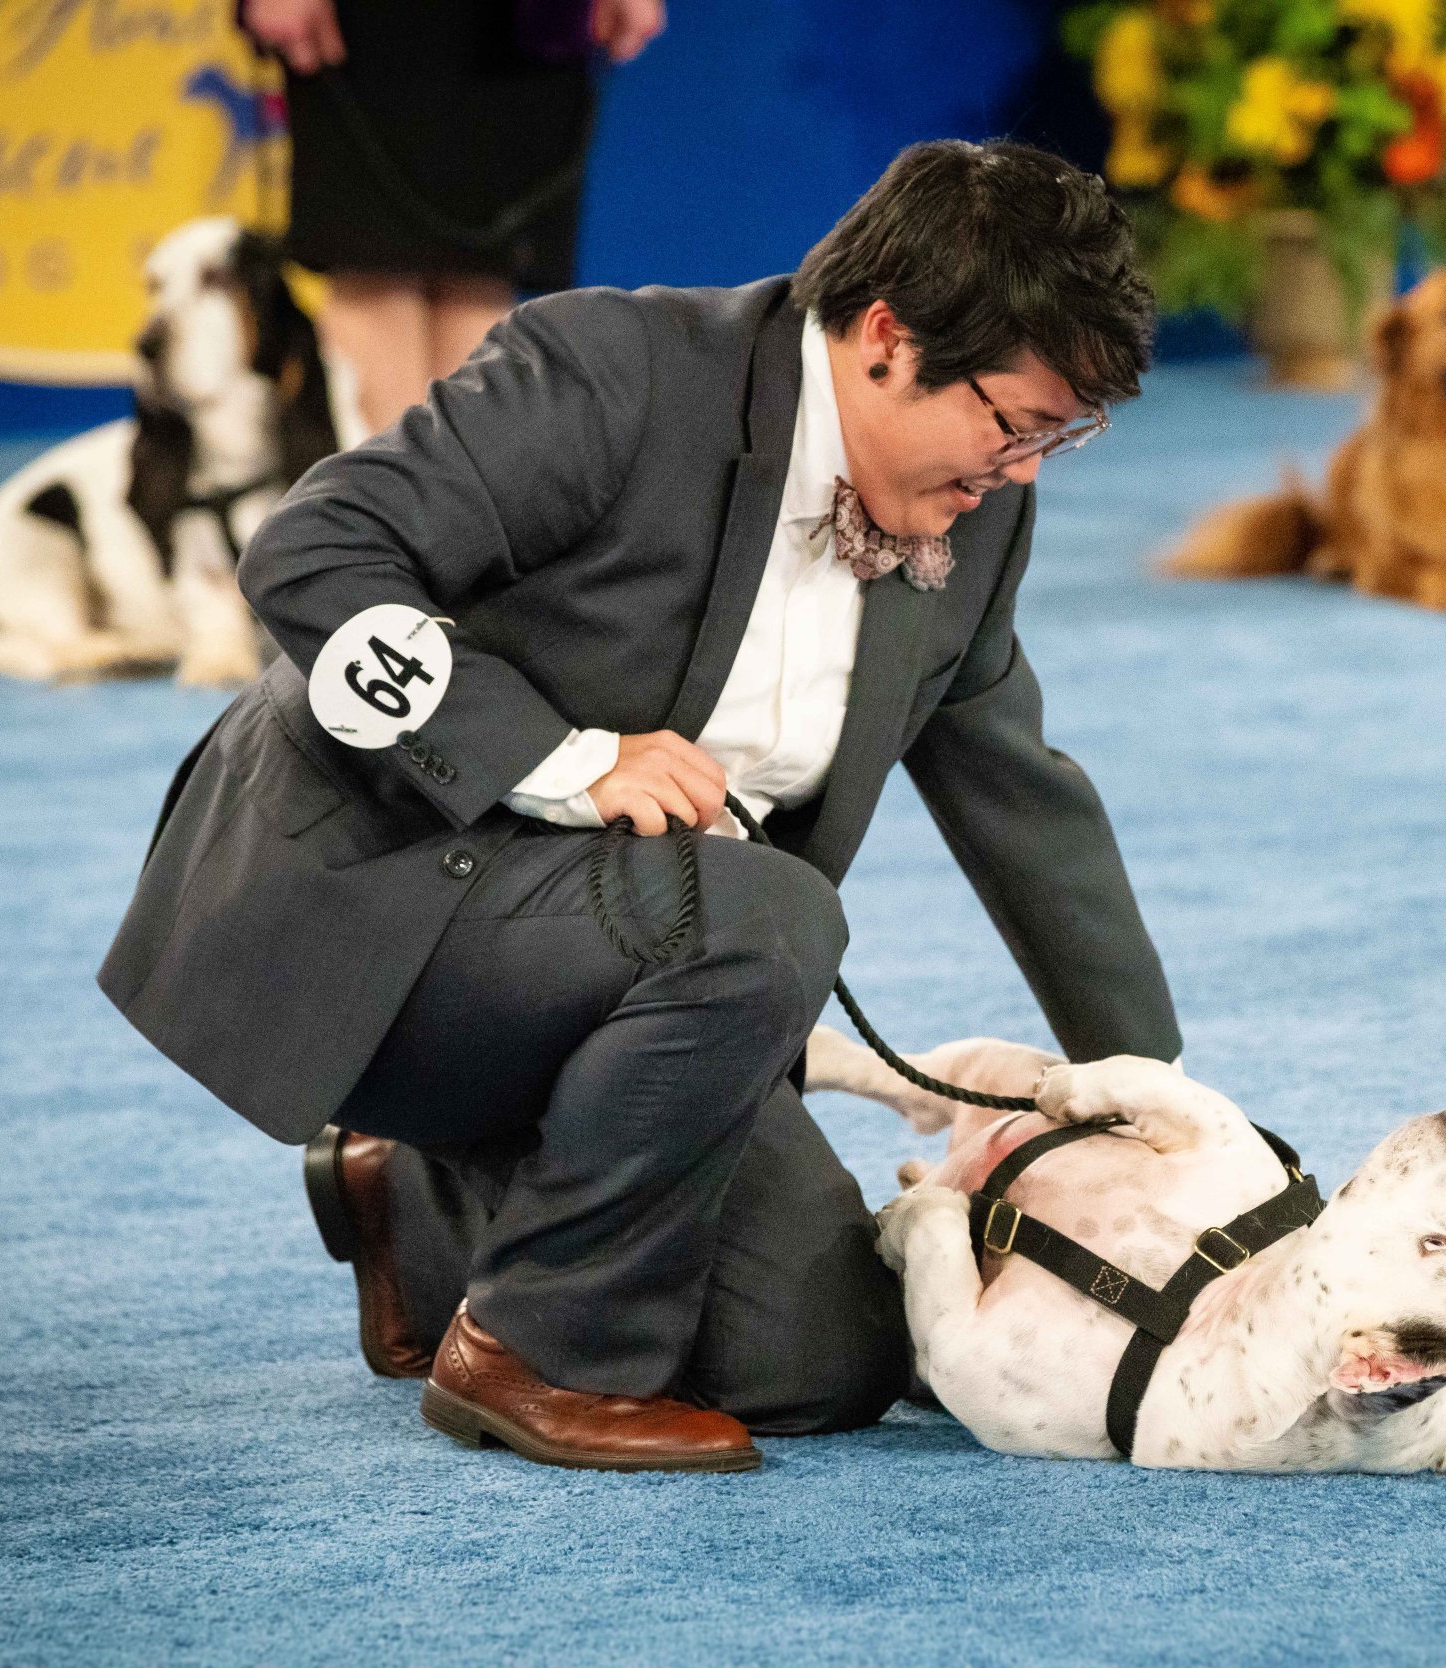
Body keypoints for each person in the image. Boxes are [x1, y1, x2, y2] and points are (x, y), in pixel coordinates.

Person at [97, 141, 1182, 1474]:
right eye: (1017, 423)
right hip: (373, 905)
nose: (1022, 470)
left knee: (828, 1359)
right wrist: (563, 755)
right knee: (773, 917)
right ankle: (539, 1354)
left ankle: (424, 1197)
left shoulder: (976, 517)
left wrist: (1164, 1101)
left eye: (1061, 438)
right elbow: (310, 556)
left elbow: (1023, 800)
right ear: (888, 338)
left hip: (632, 960)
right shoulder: (613, 371)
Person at [239, 0, 667, 436]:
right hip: (366, 33)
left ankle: (459, 499)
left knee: (482, 279)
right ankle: (377, 499)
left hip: (521, 31)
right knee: (371, 271)